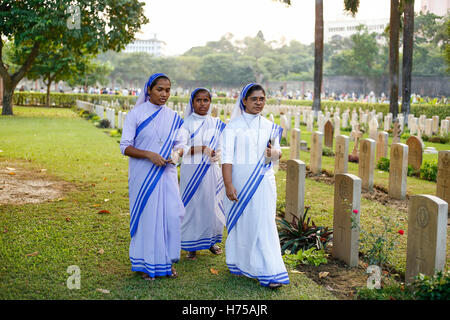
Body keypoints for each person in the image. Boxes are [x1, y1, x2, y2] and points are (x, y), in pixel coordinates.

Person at [221, 83, 290, 289]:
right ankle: (241, 263)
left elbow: (277, 153)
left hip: (262, 182)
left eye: (262, 99)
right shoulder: (232, 127)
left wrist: (273, 154)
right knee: (244, 224)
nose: (258, 103)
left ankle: (269, 271)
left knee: (263, 223)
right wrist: (228, 184)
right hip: (239, 182)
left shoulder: (270, 126)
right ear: (244, 101)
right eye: (254, 99)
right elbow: (226, 159)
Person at [119, 73, 185, 280]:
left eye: (167, 90)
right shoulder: (136, 114)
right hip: (143, 175)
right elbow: (125, 147)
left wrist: (176, 155)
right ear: (149, 90)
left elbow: (181, 145)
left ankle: (167, 260)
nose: (164, 94)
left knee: (170, 216)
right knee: (148, 217)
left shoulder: (174, 117)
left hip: (167, 174)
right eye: (160, 89)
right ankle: (146, 263)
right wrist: (148, 154)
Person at [178, 88, 226, 260]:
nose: (203, 104)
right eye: (199, 100)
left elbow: (221, 145)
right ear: (192, 102)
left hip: (211, 170)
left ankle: (210, 241)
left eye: (206, 100)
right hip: (191, 172)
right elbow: (180, 149)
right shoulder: (186, 123)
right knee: (192, 207)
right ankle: (192, 245)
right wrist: (203, 149)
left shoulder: (216, 123)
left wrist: (217, 154)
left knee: (211, 205)